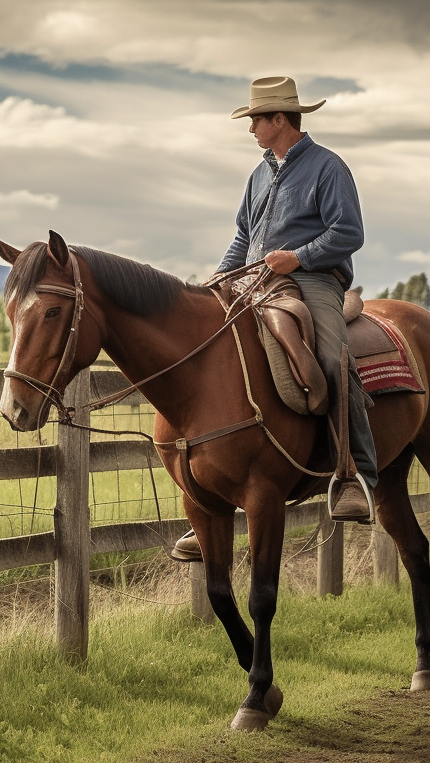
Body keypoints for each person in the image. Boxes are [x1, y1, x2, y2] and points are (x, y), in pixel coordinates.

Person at [170, 76, 377, 561]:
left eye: (256, 121)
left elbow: (349, 232)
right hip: (255, 281)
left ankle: (355, 475)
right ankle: (212, 503)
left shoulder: (329, 168)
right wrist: (221, 275)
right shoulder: (258, 174)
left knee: (331, 358)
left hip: (314, 281)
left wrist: (299, 257)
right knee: (212, 351)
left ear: (280, 120)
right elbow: (243, 236)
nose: (251, 130)